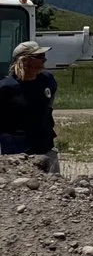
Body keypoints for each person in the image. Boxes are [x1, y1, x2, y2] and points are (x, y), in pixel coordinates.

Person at [0, 39, 59, 173]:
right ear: (24, 60)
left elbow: (49, 105)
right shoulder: (5, 88)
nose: (44, 60)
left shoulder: (47, 80)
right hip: (17, 154)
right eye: (39, 56)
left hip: (46, 148)